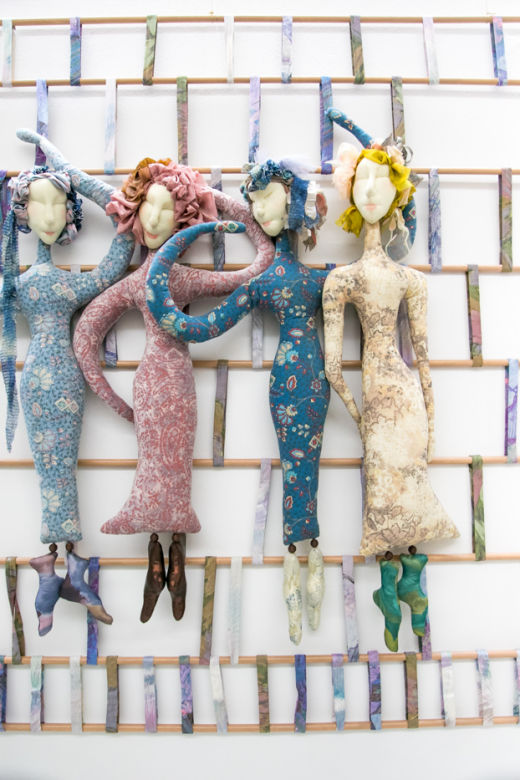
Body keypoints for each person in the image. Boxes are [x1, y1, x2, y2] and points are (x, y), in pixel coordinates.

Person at [70, 156, 274, 623]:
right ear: (134, 213)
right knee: (165, 459)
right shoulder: (170, 279)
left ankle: (164, 552)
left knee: (164, 460)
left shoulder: (155, 280)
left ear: (184, 218)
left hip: (157, 382)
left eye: (170, 209)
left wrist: (206, 199)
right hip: (170, 381)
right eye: (149, 207)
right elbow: (86, 336)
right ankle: (169, 553)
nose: (157, 218)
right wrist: (115, 402)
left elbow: (252, 272)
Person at [146, 159, 329, 644]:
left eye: (269, 199)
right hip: (292, 383)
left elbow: (193, 326)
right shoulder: (269, 282)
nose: (261, 210)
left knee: (304, 464)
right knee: (297, 462)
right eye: (255, 202)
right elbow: (191, 326)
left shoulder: (315, 280)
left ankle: (303, 546)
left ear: (296, 203)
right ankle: (300, 549)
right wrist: (176, 252)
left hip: (309, 383)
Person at [322, 109, 459, 651]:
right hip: (391, 398)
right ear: (350, 192)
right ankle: (401, 587)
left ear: (397, 193)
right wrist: (376, 418)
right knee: (390, 492)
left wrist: (375, 417)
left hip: (390, 398)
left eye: (381, 182)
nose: (371, 191)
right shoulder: (353, 279)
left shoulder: (382, 280)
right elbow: (413, 362)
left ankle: (403, 586)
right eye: (362, 181)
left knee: (395, 490)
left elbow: (413, 358)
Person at [3, 129, 136, 632]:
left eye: (58, 203)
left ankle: (59, 567)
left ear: (70, 213)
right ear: (22, 211)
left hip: (65, 380)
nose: (48, 214)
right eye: (37, 203)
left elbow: (120, 248)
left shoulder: (57, 284)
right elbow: (114, 260)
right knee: (52, 470)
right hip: (41, 380)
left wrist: (77, 178)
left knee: (63, 467)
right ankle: (61, 566)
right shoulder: (18, 284)